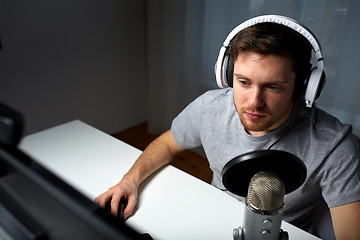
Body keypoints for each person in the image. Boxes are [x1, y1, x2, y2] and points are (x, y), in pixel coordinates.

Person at [96, 15, 360, 239]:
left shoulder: (335, 145)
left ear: (304, 87)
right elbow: (167, 143)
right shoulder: (210, 107)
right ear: (227, 74)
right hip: (208, 222)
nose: (254, 102)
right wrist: (129, 181)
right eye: (243, 82)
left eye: (273, 87)